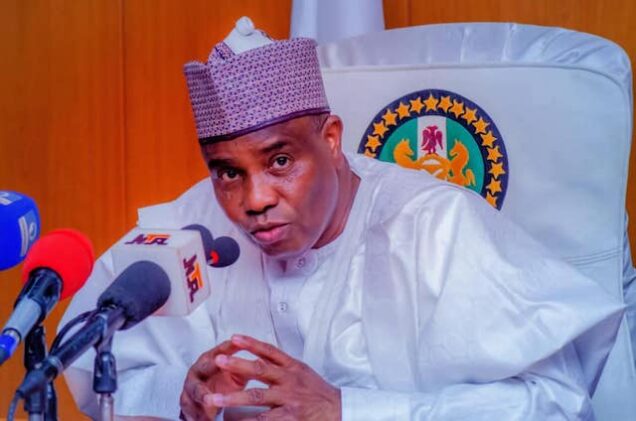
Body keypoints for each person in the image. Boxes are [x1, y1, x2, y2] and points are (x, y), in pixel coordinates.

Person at [61, 17, 624, 420]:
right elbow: (97, 364)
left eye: (280, 161)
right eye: (228, 171)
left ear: (331, 140)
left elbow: (556, 403)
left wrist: (344, 409)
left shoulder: (433, 226)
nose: (253, 200)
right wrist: (181, 396)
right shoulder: (194, 224)